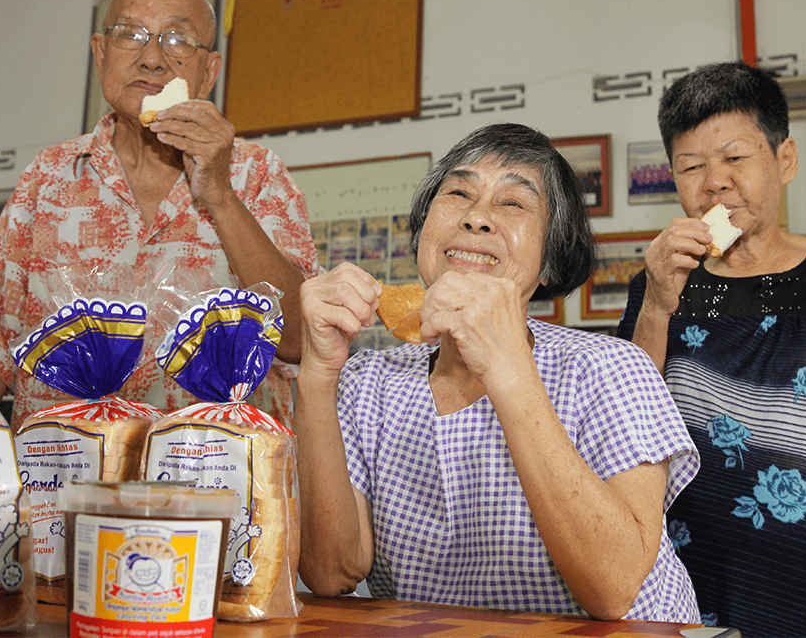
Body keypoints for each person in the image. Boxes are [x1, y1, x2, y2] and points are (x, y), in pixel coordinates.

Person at [295, 123, 701, 621]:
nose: (477, 217)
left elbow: (614, 590)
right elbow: (330, 573)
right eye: (459, 192)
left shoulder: (610, 369)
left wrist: (506, 367)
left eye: (514, 203)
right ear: (423, 233)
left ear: (550, 259)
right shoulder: (366, 382)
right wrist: (317, 372)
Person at [616, 61, 806, 636]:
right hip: (693, 595)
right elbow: (623, 432)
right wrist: (658, 304)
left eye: (735, 158)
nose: (714, 182)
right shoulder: (658, 287)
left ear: (784, 161)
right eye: (692, 166)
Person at [0, 0, 319, 429]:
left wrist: (221, 196)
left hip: (220, 483)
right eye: (130, 34)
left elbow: (301, 339)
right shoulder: (48, 177)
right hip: (62, 483)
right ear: (101, 54)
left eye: (178, 39)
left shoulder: (256, 173)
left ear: (209, 72)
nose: (151, 59)